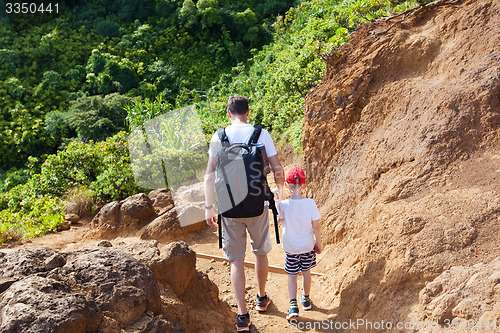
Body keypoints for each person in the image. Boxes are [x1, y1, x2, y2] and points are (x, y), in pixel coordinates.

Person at [204, 95, 284, 331]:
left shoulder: (219, 136)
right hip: (257, 203)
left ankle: (242, 315)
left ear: (228, 113)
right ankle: (261, 298)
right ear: (248, 112)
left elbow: (209, 174)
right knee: (260, 252)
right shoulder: (261, 134)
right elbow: (277, 167)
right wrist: (279, 194)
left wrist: (209, 206)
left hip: (229, 208)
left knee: (236, 261)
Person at [277, 167, 322, 321]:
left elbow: (279, 221)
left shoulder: (283, 205)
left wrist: (278, 201)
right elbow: (316, 225)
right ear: (303, 185)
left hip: (291, 248)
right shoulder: (310, 203)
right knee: (306, 272)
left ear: (287, 185)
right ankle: (306, 299)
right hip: (307, 246)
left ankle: (293, 305)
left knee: (292, 275)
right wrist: (318, 243)